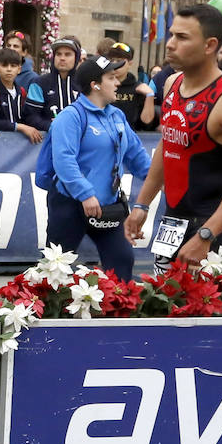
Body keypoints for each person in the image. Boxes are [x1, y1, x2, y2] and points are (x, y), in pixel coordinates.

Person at [125, 4, 222, 266]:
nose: (170, 44)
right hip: (172, 221)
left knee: (202, 307)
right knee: (164, 304)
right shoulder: (172, 83)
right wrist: (142, 205)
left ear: (210, 45)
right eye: (172, 34)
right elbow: (168, 147)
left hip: (212, 227)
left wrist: (206, 235)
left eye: (182, 37)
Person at [35, 55, 151, 280]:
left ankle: (116, 312)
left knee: (122, 261)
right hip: (71, 204)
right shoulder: (70, 117)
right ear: (95, 84)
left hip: (109, 206)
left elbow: (136, 154)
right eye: (111, 78)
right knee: (54, 271)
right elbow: (64, 160)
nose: (118, 83)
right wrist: (85, 193)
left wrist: (158, 179)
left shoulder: (116, 115)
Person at [0, 48, 47, 142]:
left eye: (13, 66)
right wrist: (19, 127)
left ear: (19, 69)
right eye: (4, 65)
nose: (9, 69)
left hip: (17, 147)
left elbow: (27, 117)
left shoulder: (22, 92)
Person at [98, 39, 156, 131]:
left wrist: (150, 95)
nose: (115, 64)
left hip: (128, 137)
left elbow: (146, 122)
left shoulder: (138, 88)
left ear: (130, 63)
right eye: (112, 60)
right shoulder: (100, 85)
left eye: (119, 61)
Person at [35, 36, 83, 128]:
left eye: (67, 54)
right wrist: (53, 125)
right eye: (58, 54)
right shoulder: (39, 83)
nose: (62, 58)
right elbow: (30, 116)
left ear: (76, 58)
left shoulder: (85, 83)